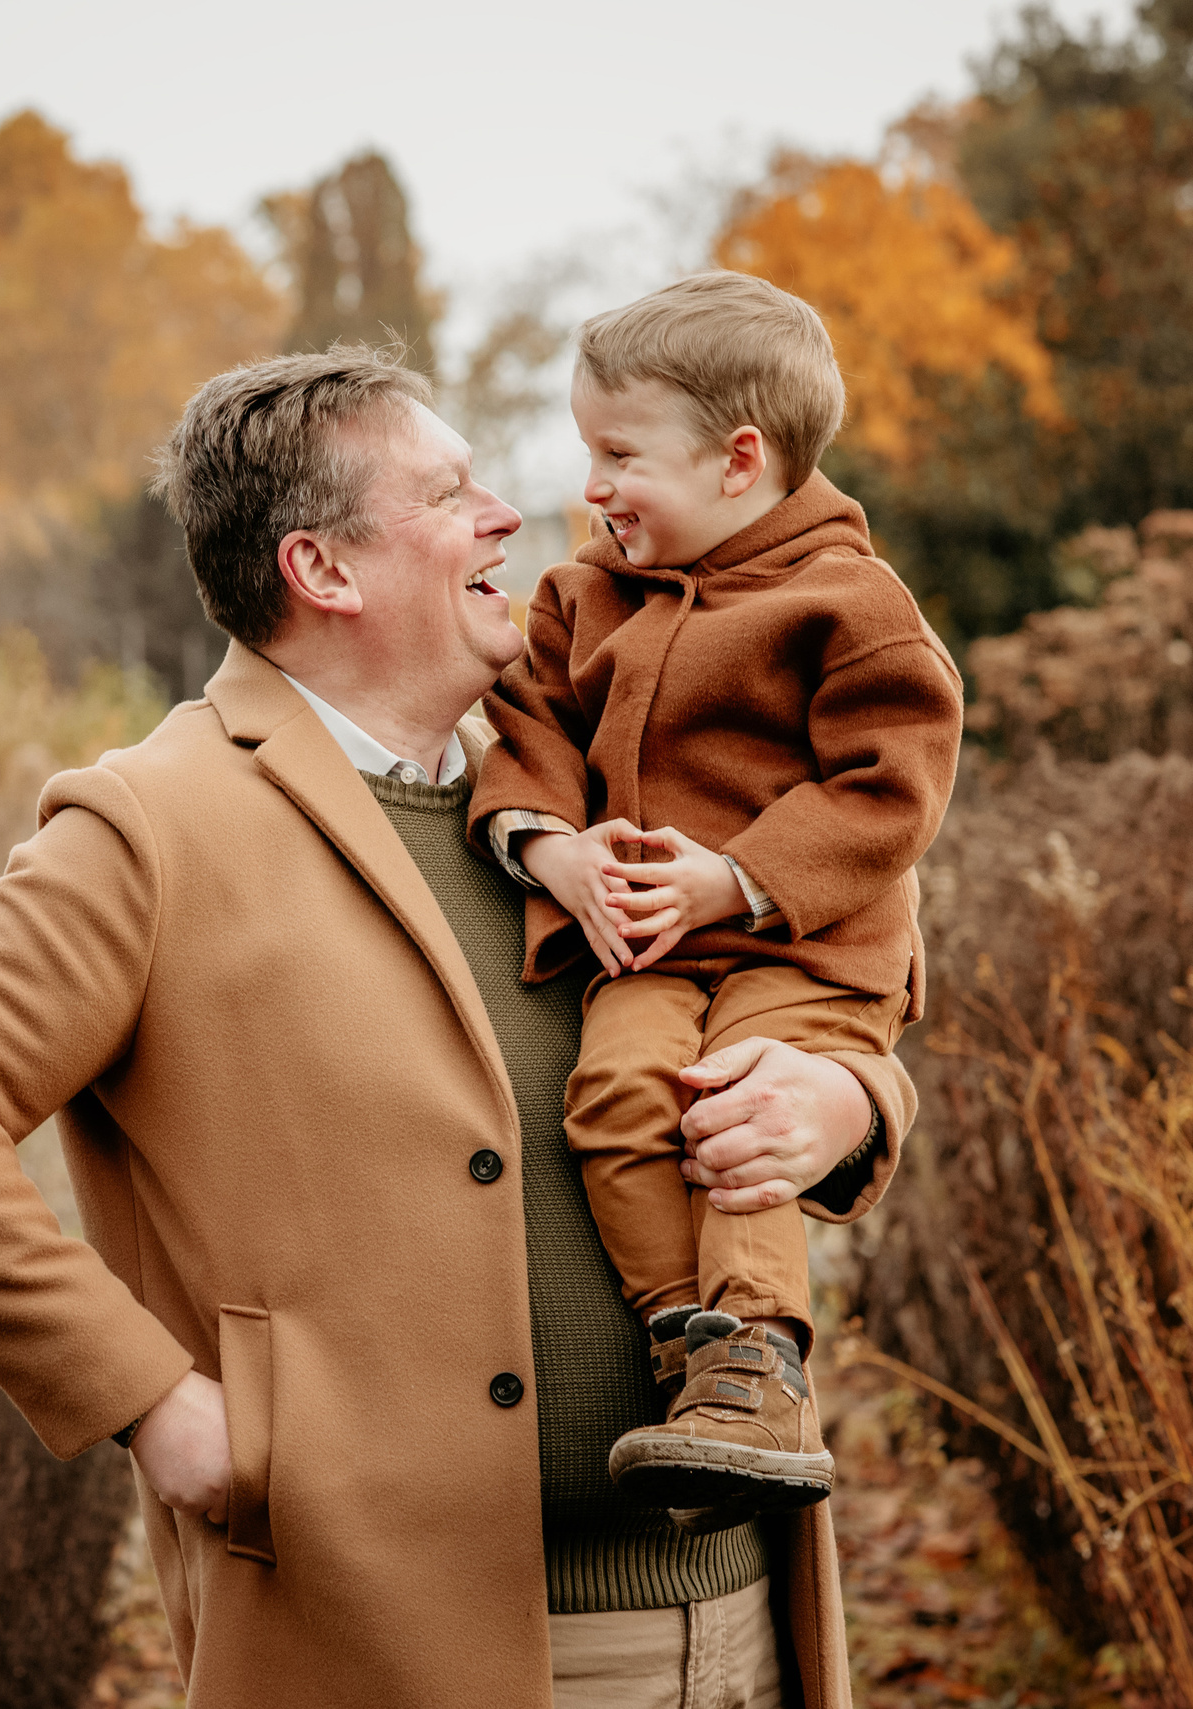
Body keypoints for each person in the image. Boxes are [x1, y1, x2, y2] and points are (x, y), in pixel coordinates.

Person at [0, 347, 918, 1709]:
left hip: (744, 1618)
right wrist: (148, 1396)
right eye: (452, 492)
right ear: (323, 570)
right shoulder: (156, 824)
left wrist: (848, 1105)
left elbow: (817, 974)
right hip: (408, 1649)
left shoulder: (589, 771)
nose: (510, 515)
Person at [471, 273, 962, 1531]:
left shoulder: (851, 606)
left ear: (740, 460)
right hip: (643, 937)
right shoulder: (582, 597)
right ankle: (692, 1352)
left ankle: (757, 1357)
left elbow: (890, 781)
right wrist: (551, 850)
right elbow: (525, 728)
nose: (591, 487)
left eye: (617, 454)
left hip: (804, 942)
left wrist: (734, 875)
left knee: (737, 1104)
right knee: (618, 1098)